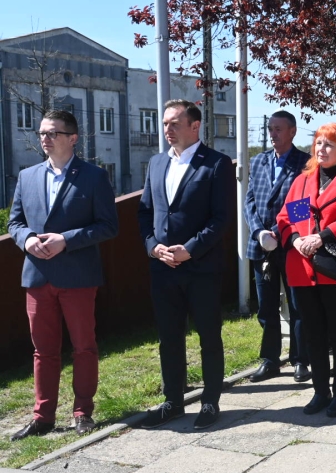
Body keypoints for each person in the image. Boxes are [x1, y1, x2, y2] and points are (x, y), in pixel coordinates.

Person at [8, 110, 118, 441]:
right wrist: (27, 239)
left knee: (84, 347)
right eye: (42, 132)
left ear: (73, 138)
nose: (45, 138)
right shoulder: (27, 176)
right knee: (43, 350)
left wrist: (66, 240)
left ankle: (83, 412)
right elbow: (15, 222)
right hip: (37, 276)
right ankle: (43, 417)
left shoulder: (94, 177)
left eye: (52, 132)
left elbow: (108, 226)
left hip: (78, 277)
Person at [137, 99, 236, 430]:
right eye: (165, 123)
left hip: (201, 269)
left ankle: (210, 401)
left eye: (174, 123)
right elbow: (146, 212)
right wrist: (153, 247)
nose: (167, 129)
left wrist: (190, 250)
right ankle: (173, 401)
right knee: (169, 337)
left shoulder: (217, 164)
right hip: (163, 268)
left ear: (195, 126)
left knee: (209, 336)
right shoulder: (156, 163)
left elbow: (221, 218)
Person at [277, 123, 336, 418]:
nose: (322, 149)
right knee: (313, 335)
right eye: (318, 143)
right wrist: (296, 240)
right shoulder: (303, 181)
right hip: (303, 269)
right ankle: (320, 391)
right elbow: (288, 218)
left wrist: (322, 237)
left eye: (329, 144)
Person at [244, 111, 312, 384]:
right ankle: (270, 360)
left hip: (291, 245)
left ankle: (300, 360)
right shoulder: (258, 161)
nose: (273, 134)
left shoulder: (305, 163)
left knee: (298, 306)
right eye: (270, 128)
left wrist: (277, 230)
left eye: (278, 129)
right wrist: (259, 231)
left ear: (292, 131)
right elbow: (249, 201)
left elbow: (304, 205)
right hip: (261, 246)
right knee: (266, 307)